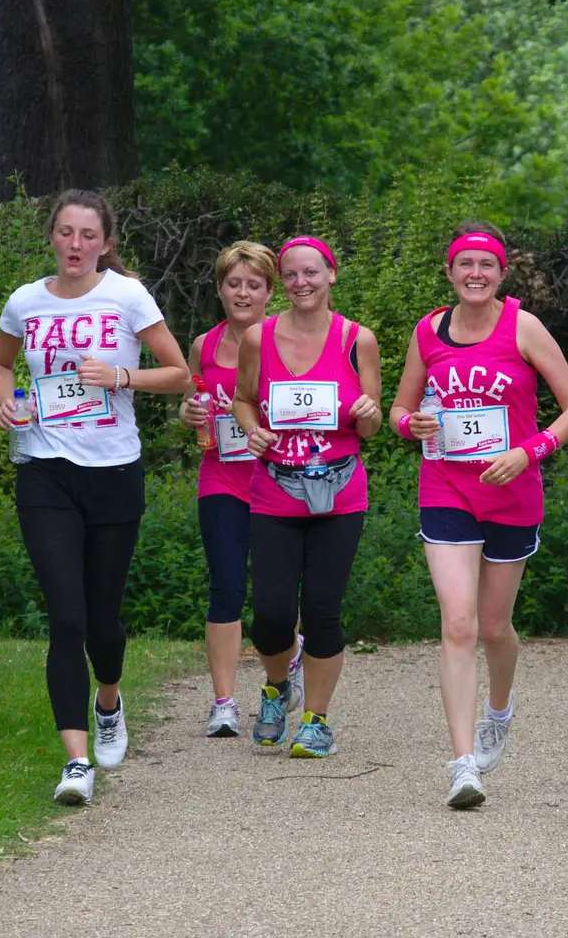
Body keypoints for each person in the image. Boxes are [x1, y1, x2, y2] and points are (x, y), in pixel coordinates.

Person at [0, 189, 191, 806]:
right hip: (44, 469)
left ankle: (109, 698)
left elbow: (180, 372)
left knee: (103, 619)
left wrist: (120, 375)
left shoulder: (127, 297)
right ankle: (76, 762)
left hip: (112, 469)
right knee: (66, 617)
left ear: (105, 243)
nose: (75, 245)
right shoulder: (25, 301)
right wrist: (9, 401)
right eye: (66, 233)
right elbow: (1, 364)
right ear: (52, 236)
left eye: (87, 235)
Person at [388, 221, 568, 808]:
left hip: (511, 493)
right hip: (446, 487)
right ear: (450, 272)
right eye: (465, 264)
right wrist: (410, 424)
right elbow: (403, 408)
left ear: (501, 273)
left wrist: (529, 451)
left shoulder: (523, 326)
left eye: (487, 265)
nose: (475, 274)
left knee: (495, 627)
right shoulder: (428, 331)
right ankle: (462, 765)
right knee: (458, 622)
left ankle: (498, 709)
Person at [231, 235, 382, 758]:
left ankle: (316, 721)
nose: (301, 283)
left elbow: (373, 422)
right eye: (291, 275)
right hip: (276, 490)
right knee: (271, 614)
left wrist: (368, 415)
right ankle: (277, 687)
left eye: (311, 273)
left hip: (339, 492)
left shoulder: (357, 339)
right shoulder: (258, 338)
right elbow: (243, 400)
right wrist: (252, 429)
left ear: (331, 275)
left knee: (322, 609)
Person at [177, 241, 306, 737]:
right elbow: (194, 407)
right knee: (226, 586)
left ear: (271, 292)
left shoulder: (287, 341)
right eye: (234, 283)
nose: (244, 292)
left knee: (278, 591)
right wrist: (189, 412)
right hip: (222, 478)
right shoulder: (204, 346)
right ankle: (224, 702)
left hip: (278, 476)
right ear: (220, 289)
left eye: (254, 284)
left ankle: (287, 668)